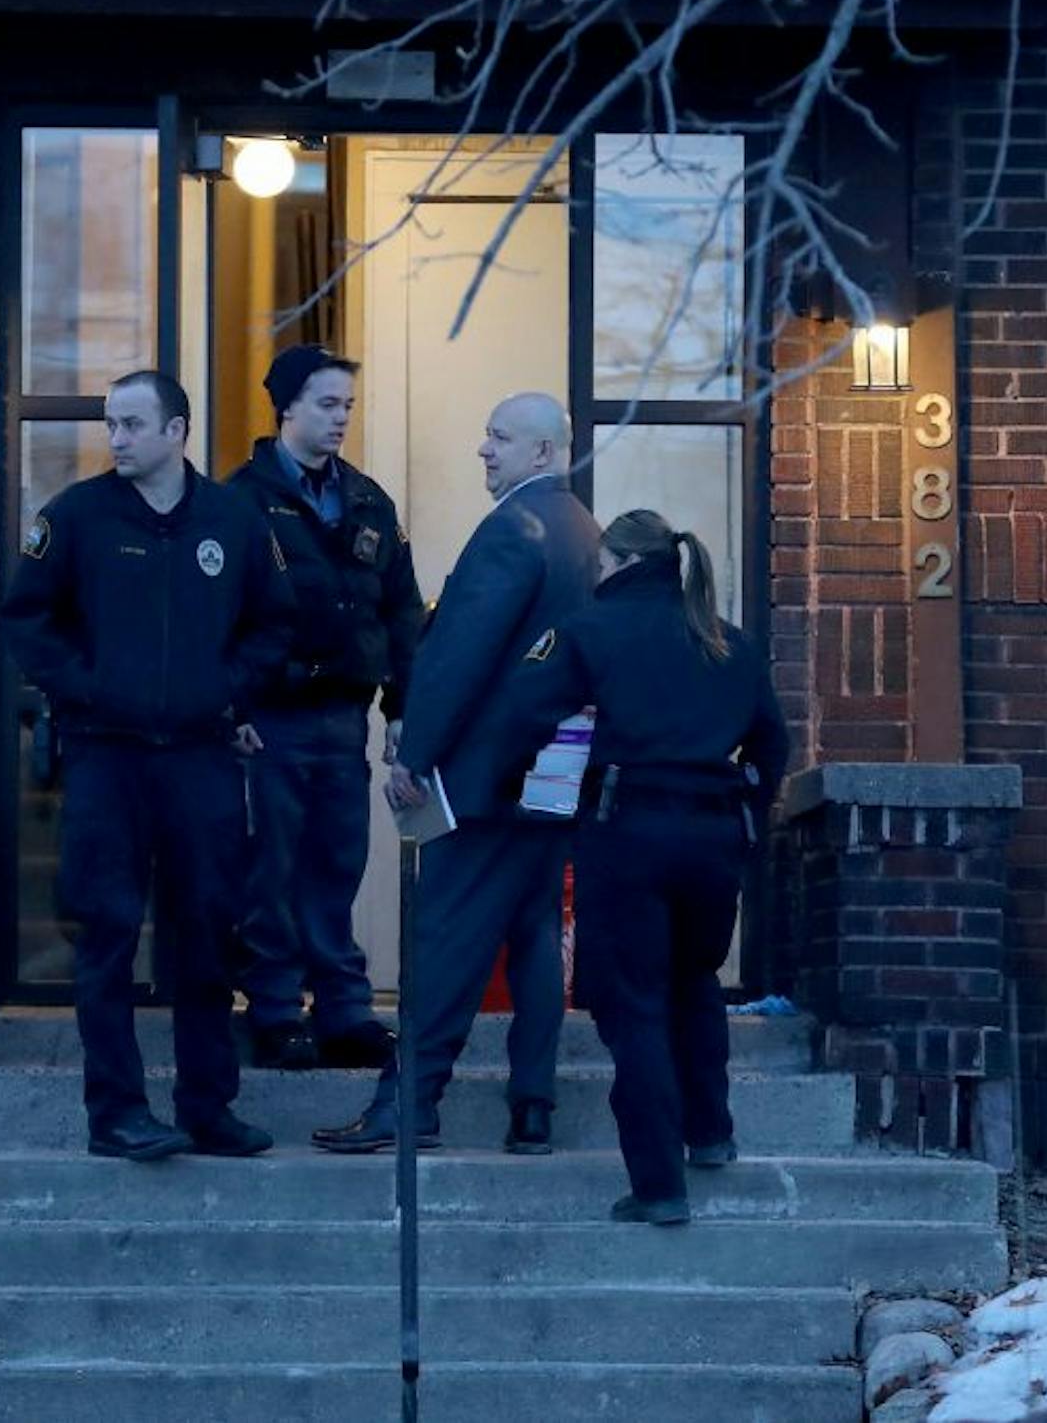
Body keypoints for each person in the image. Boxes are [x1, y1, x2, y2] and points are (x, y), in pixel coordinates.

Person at [0, 369, 295, 1163]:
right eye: (111, 424)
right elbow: (27, 618)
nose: (116, 438)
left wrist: (226, 690)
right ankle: (117, 1112)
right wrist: (86, 687)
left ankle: (208, 1107)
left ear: (176, 431)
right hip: (108, 758)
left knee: (207, 934)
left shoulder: (232, 520)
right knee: (106, 933)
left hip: (201, 759)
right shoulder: (79, 516)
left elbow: (275, 623)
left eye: (132, 424)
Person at [313, 392, 600, 1157]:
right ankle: (532, 1105)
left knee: (445, 936)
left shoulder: (515, 527)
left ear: (543, 452)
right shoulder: (583, 530)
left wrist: (416, 753)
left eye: (499, 437)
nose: (484, 449)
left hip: (485, 778)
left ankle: (409, 1103)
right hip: (552, 774)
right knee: (535, 933)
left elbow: (461, 654)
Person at [493, 509, 788, 1225]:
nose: (595, 576)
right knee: (696, 982)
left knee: (637, 1004)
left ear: (622, 563)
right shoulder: (729, 640)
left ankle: (658, 1184)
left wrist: (520, 790)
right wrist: (746, 808)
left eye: (600, 565)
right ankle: (710, 1132)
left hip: (628, 830)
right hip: (714, 836)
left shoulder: (590, 630)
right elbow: (772, 746)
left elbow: (521, 712)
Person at [226, 345, 423, 1071]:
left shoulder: (368, 500)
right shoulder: (241, 501)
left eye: (348, 405)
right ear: (287, 407)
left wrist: (402, 706)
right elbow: (218, 616)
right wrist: (231, 708)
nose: (342, 418)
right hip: (271, 715)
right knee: (272, 867)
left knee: (338, 863)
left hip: (344, 714)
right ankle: (277, 1009)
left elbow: (402, 611)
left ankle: (343, 1011)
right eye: (327, 404)